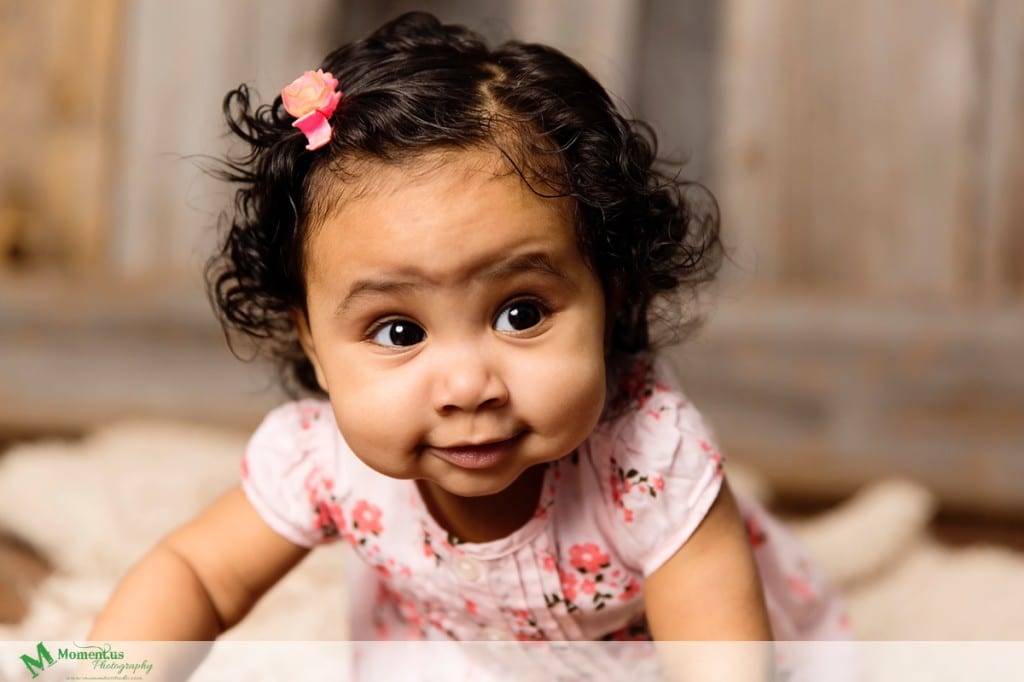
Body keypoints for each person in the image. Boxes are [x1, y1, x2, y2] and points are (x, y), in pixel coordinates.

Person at [90, 10, 847, 678]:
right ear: (313, 343)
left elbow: (715, 655)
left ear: (609, 296)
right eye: (399, 331)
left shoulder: (648, 459)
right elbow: (193, 572)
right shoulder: (321, 460)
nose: (466, 385)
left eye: (520, 314)